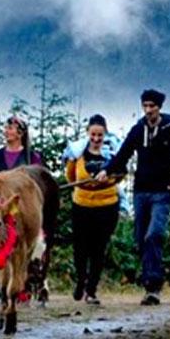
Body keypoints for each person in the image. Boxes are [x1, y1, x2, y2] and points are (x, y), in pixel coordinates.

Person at [104, 88, 170, 306]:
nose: (149, 110)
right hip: (141, 191)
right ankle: (149, 280)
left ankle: (153, 286)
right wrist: (106, 170)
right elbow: (122, 155)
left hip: (163, 191)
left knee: (154, 235)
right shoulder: (138, 130)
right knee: (140, 237)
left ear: (159, 107)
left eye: (152, 106)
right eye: (145, 106)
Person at [64, 115, 120, 305]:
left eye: (100, 135)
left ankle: (92, 290)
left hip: (107, 206)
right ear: (88, 134)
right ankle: (81, 280)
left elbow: (120, 175)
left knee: (98, 249)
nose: (96, 139)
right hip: (82, 205)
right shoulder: (77, 154)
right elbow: (70, 177)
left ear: (105, 134)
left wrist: (107, 180)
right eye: (93, 135)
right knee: (80, 248)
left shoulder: (113, 154)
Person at [0, 114, 45, 193]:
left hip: (23, 200)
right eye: (5, 128)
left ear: (20, 133)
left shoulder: (31, 157)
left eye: (10, 128)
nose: (6, 131)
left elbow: (39, 182)